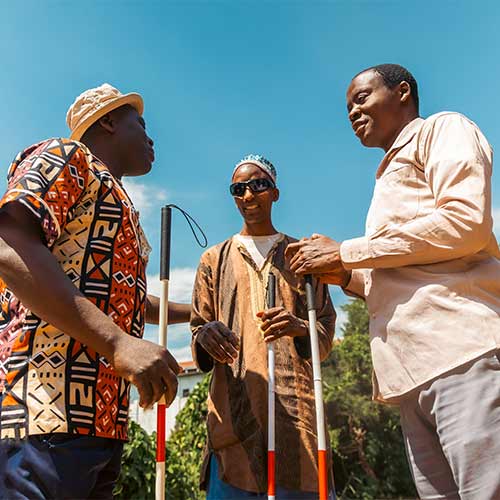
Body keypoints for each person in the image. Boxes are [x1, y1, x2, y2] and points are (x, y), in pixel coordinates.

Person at [286, 64, 500, 500]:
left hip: (461, 351)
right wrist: (343, 273)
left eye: (361, 98)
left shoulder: (442, 129)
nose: (352, 112)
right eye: (347, 106)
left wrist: (348, 251)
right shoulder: (383, 178)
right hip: (410, 372)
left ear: (402, 92)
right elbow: (397, 275)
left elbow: (465, 222)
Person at [0, 83, 190, 499]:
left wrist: (194, 312)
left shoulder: (112, 196)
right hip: (47, 409)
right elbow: (9, 243)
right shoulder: (67, 156)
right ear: (107, 120)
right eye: (140, 123)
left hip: (100, 419)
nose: (151, 137)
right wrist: (118, 341)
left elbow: (127, 298)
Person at [190, 154, 336, 499]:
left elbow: (325, 334)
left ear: (275, 192)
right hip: (232, 419)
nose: (248, 195)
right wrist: (206, 335)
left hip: (298, 422)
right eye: (238, 189)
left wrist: (299, 326)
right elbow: (199, 328)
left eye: (258, 185)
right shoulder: (213, 259)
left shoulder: (302, 257)